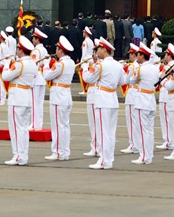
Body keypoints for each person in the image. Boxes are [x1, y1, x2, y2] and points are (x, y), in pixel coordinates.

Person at [83, 37, 121, 170]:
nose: (97, 51)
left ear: (104, 49)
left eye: (98, 49)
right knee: (110, 132)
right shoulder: (118, 65)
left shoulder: (100, 65)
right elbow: (122, 81)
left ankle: (104, 159)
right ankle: (108, 158)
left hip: (102, 99)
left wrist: (87, 67)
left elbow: (87, 78)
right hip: (112, 98)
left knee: (102, 131)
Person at [2, 35, 36, 166]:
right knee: (23, 129)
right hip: (26, 96)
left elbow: (5, 76)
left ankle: (18, 155)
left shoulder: (19, 64)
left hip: (17, 98)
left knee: (16, 129)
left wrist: (6, 64)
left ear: (21, 50)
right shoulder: (32, 63)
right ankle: (23, 155)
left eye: (18, 49)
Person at [43, 35, 76, 162]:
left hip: (58, 96)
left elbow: (47, 76)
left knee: (57, 126)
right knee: (65, 126)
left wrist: (46, 65)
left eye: (57, 48)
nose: (56, 50)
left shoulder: (60, 64)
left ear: (61, 50)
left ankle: (57, 151)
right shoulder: (71, 62)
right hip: (66, 95)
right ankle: (65, 151)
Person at [29, 28, 49, 130]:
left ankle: (33, 124)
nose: (32, 40)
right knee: (39, 103)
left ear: (37, 39)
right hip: (42, 77)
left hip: (36, 77)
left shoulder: (36, 50)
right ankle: (38, 124)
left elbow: (33, 64)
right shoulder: (44, 49)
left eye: (34, 38)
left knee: (34, 102)